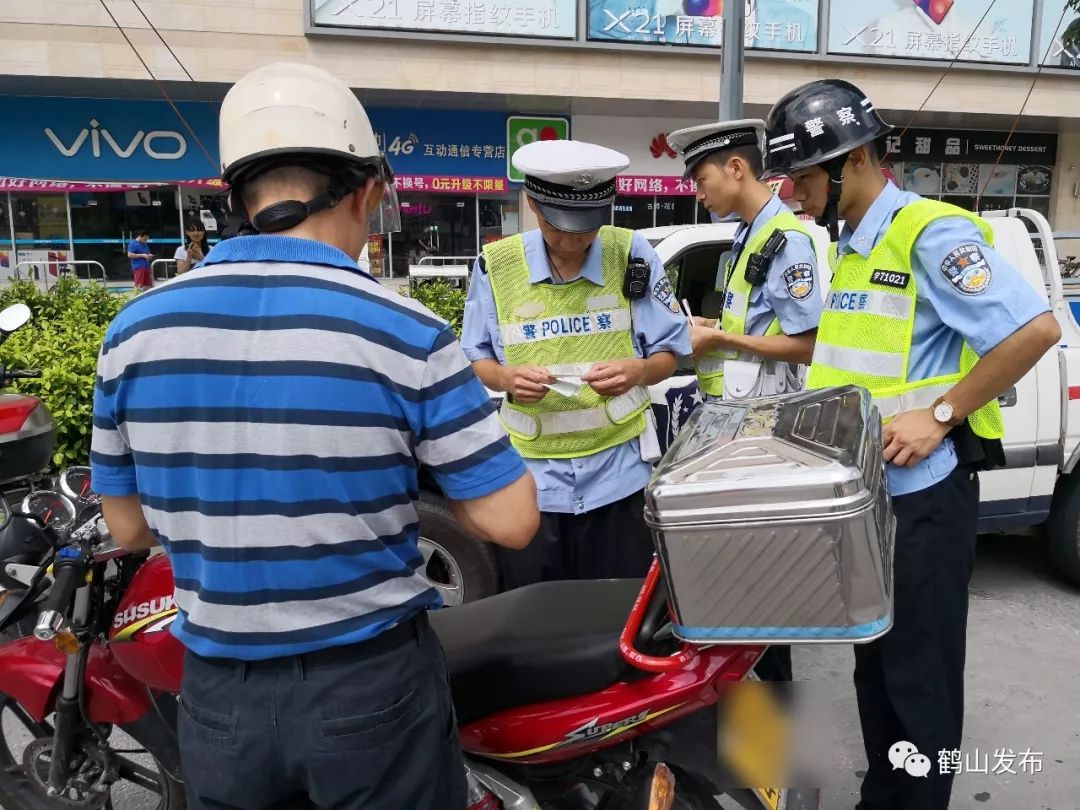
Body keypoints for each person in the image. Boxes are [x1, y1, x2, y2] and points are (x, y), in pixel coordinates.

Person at [90, 61, 539, 810]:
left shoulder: (132, 332)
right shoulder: (407, 330)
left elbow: (127, 527)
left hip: (217, 693)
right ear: (365, 192)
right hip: (368, 689)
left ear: (236, 196)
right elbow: (512, 521)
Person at [762, 79, 1061, 810]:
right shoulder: (854, 247)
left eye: (802, 175)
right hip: (870, 502)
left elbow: (1035, 331)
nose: (792, 193)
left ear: (855, 159)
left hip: (924, 500)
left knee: (919, 679)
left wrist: (943, 412)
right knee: (877, 667)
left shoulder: (929, 231)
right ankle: (885, 796)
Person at [461, 139, 691, 588]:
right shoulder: (496, 266)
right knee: (538, 624)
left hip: (619, 476)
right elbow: (476, 358)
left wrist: (638, 371)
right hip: (532, 483)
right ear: (532, 204)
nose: (571, 243)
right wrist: (507, 378)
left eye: (586, 230)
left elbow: (669, 351)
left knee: (616, 618)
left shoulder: (632, 252)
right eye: (557, 228)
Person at [666, 119, 824, 684]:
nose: (697, 191)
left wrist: (722, 339)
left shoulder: (787, 240)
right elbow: (757, 328)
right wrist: (717, 328)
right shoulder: (747, 235)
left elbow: (808, 344)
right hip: (735, 435)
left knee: (764, 591)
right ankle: (754, 737)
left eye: (702, 177)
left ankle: (771, 744)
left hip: (764, 437)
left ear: (737, 168)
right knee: (742, 590)